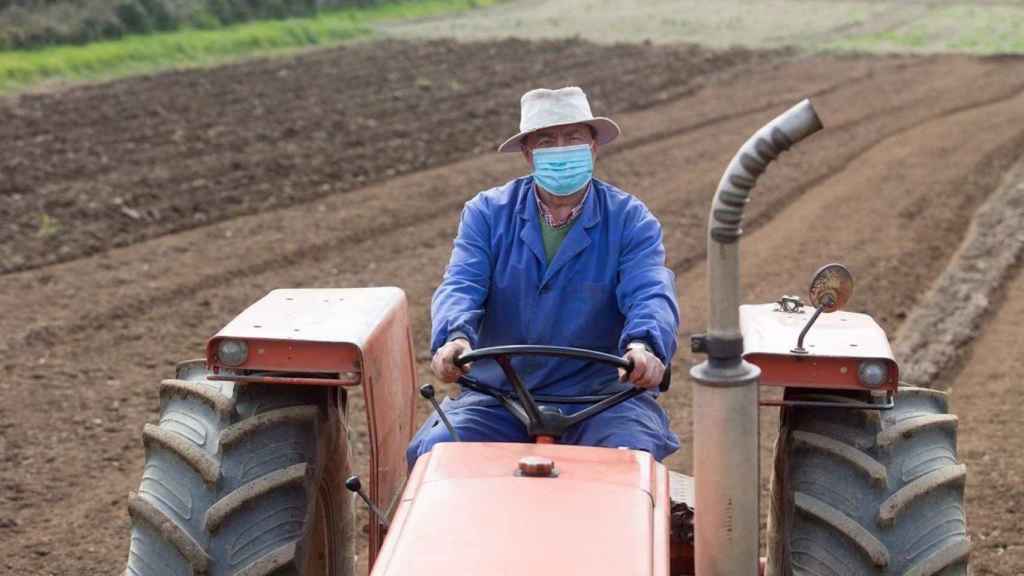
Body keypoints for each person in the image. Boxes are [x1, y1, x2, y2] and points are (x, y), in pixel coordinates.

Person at [406, 86, 680, 467]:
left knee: (630, 461)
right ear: (528, 153)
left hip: (599, 396)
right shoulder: (487, 213)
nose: (561, 149)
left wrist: (645, 347)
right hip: (498, 394)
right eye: (547, 140)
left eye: (573, 138)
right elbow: (461, 283)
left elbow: (649, 289)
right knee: (440, 455)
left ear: (593, 146)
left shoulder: (630, 220)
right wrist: (454, 338)